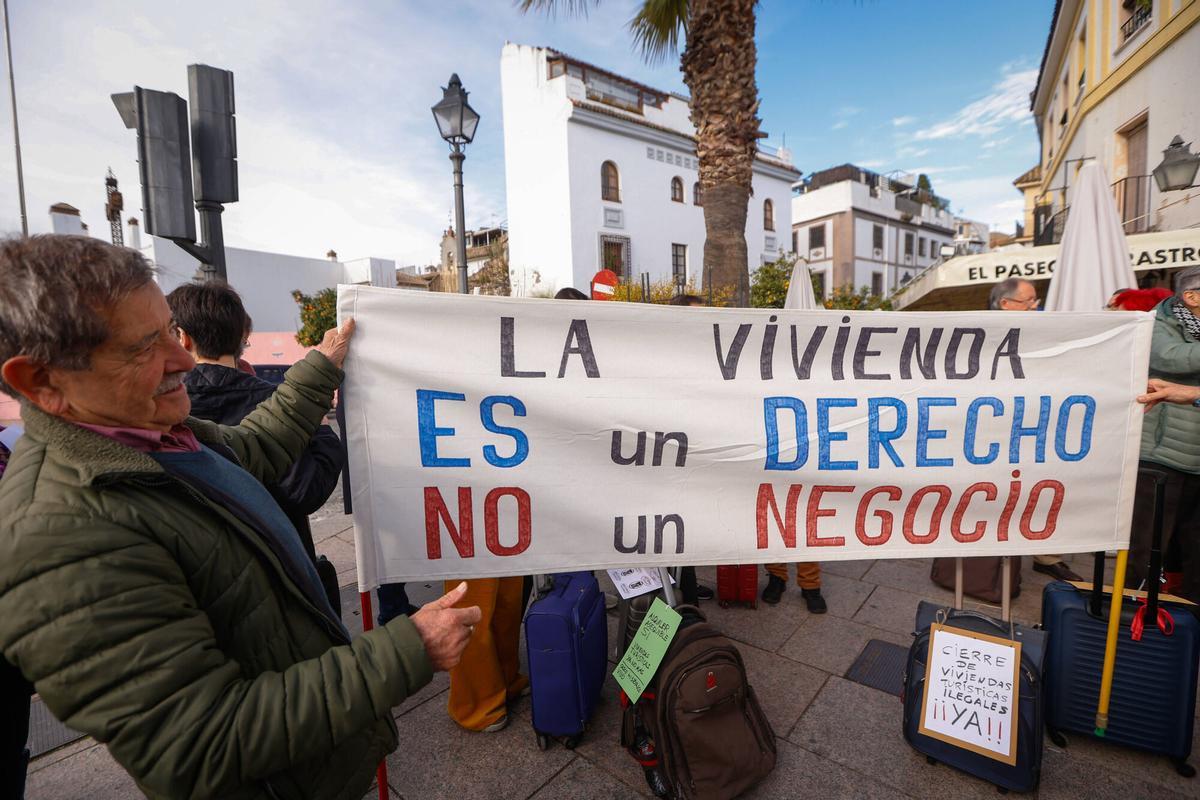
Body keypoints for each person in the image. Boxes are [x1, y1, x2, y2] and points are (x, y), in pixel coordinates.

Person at [0, 235, 480, 800]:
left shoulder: (149, 434)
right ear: (42, 382)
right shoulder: (59, 540)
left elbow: (249, 450)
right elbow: (201, 742)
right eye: (143, 347)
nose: (182, 359)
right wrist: (408, 651)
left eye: (168, 332)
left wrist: (319, 366)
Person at [166, 280, 346, 613]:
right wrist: (320, 430)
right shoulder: (274, 400)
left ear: (182, 337)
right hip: (287, 578)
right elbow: (307, 489)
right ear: (240, 338)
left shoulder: (165, 411)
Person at [989, 277, 1083, 582]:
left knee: (1037, 488)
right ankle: (989, 559)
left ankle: (1046, 555)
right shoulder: (982, 333)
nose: (1036, 305)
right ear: (1005, 304)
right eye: (1029, 300)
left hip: (1031, 425)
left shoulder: (1041, 332)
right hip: (991, 428)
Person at [1127, 267, 1200, 600]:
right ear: (1191, 297)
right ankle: (1134, 619)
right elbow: (1172, 358)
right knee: (1147, 547)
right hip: (1162, 457)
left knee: (1193, 553)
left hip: (1195, 459)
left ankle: (1186, 630)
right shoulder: (1157, 323)